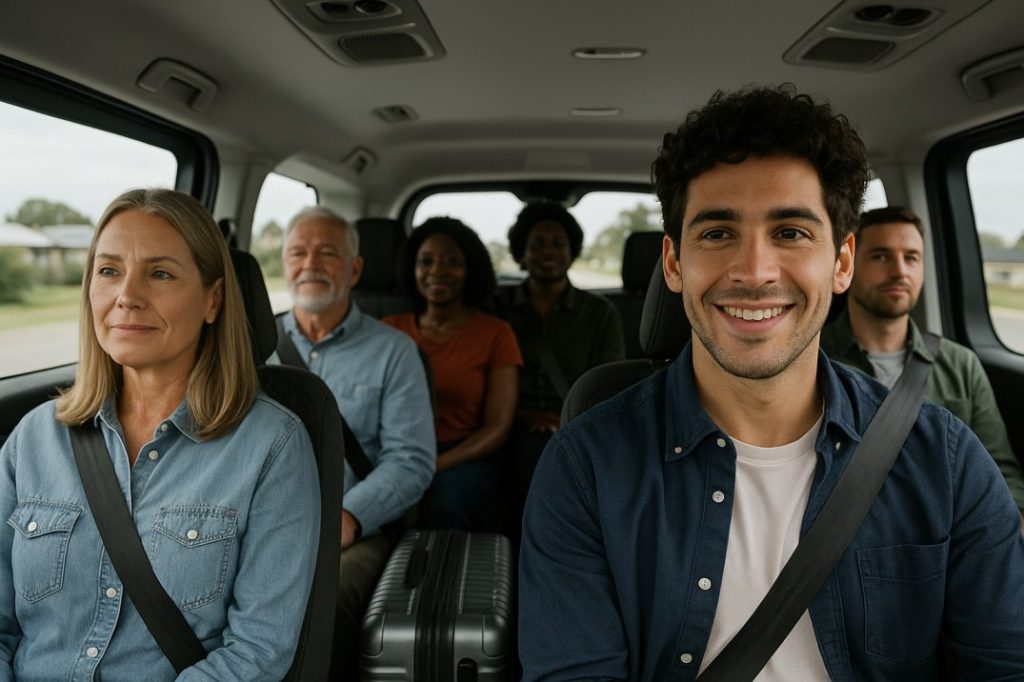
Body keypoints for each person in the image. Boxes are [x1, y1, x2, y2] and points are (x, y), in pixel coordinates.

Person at [518, 85, 1024, 680]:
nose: (754, 272)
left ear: (840, 263)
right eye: (716, 233)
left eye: (790, 232)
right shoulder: (585, 467)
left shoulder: (946, 461)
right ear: (674, 264)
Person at [0, 189, 320, 680]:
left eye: (160, 273)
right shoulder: (32, 440)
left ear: (213, 300)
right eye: (108, 271)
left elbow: (258, 648)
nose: (127, 295)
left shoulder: (272, 445)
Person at [278, 206, 435, 678]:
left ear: (355, 268)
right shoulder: (248, 345)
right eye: (298, 252)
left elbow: (412, 460)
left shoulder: (395, 352)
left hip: (351, 527)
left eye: (327, 253)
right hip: (255, 522)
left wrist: (346, 518)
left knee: (324, 604)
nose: (311, 264)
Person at [821, 206, 1024, 516]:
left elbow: (1000, 471)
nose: (900, 271)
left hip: (949, 532)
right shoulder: (814, 359)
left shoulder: (960, 365)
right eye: (880, 256)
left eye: (911, 258)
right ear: (846, 265)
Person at [495, 202, 625, 538]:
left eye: (558, 243)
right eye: (537, 243)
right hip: (502, 424)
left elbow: (607, 389)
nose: (547, 252)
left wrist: (566, 422)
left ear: (572, 251)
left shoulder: (598, 313)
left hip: (573, 426)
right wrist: (521, 417)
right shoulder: (496, 306)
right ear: (522, 251)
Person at [383, 217, 522, 530]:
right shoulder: (390, 330)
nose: (437, 271)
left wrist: (432, 465)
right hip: (395, 450)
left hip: (463, 455)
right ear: (411, 268)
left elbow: (497, 428)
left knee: (442, 506)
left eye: (452, 262)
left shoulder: (495, 333)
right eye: (426, 262)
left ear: (470, 269)